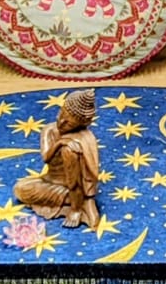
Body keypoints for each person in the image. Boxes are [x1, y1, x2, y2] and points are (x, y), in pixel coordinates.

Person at [14, 89, 102, 229]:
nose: (61, 122)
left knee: (70, 151)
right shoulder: (49, 130)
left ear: (80, 125)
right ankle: (78, 201)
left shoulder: (82, 140)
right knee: (20, 188)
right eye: (61, 114)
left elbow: (83, 177)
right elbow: (46, 158)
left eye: (69, 124)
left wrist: (75, 210)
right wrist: (59, 143)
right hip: (50, 183)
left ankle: (77, 205)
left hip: (75, 188)